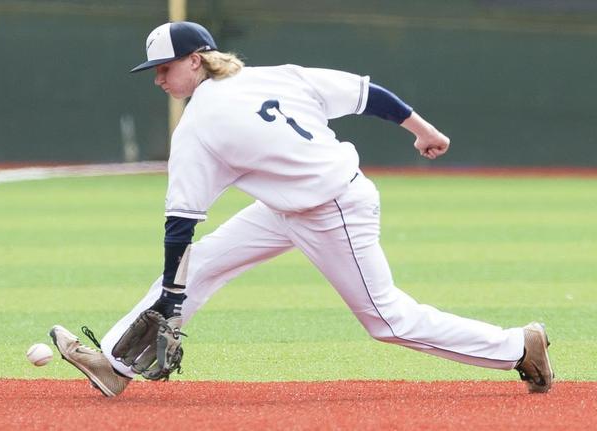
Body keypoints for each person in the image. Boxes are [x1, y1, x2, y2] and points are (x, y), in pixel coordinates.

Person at [49, 21, 553, 397]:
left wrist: (171, 297)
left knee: (387, 320)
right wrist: (424, 131)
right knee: (200, 265)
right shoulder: (274, 76)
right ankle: (115, 365)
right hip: (289, 206)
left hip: (333, 210)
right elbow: (367, 95)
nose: (158, 79)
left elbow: (180, 224)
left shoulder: (198, 126)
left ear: (196, 60)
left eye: (165, 68)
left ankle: (517, 346)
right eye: (154, 71)